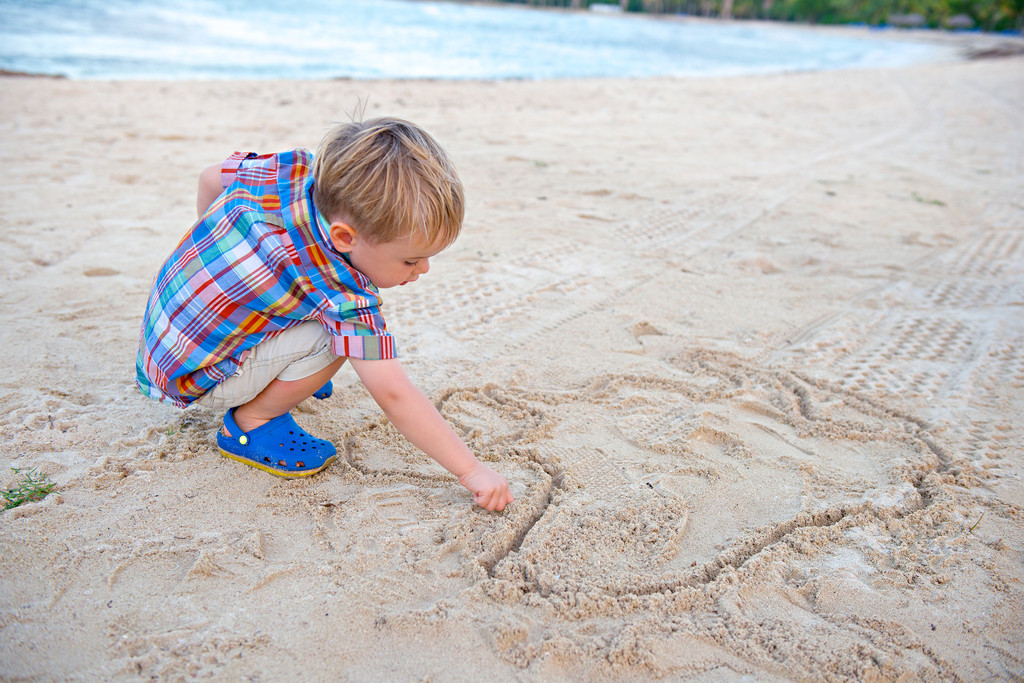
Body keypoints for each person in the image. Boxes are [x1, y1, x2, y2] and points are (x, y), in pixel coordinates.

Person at [136, 117, 513, 512]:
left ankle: (279, 374)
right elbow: (393, 393)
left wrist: (223, 251)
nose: (423, 271)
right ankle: (253, 421)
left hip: (164, 334)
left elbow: (211, 178)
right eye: (411, 260)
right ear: (344, 238)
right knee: (337, 340)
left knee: (307, 303)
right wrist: (471, 470)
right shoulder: (343, 294)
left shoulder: (293, 168)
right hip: (194, 377)